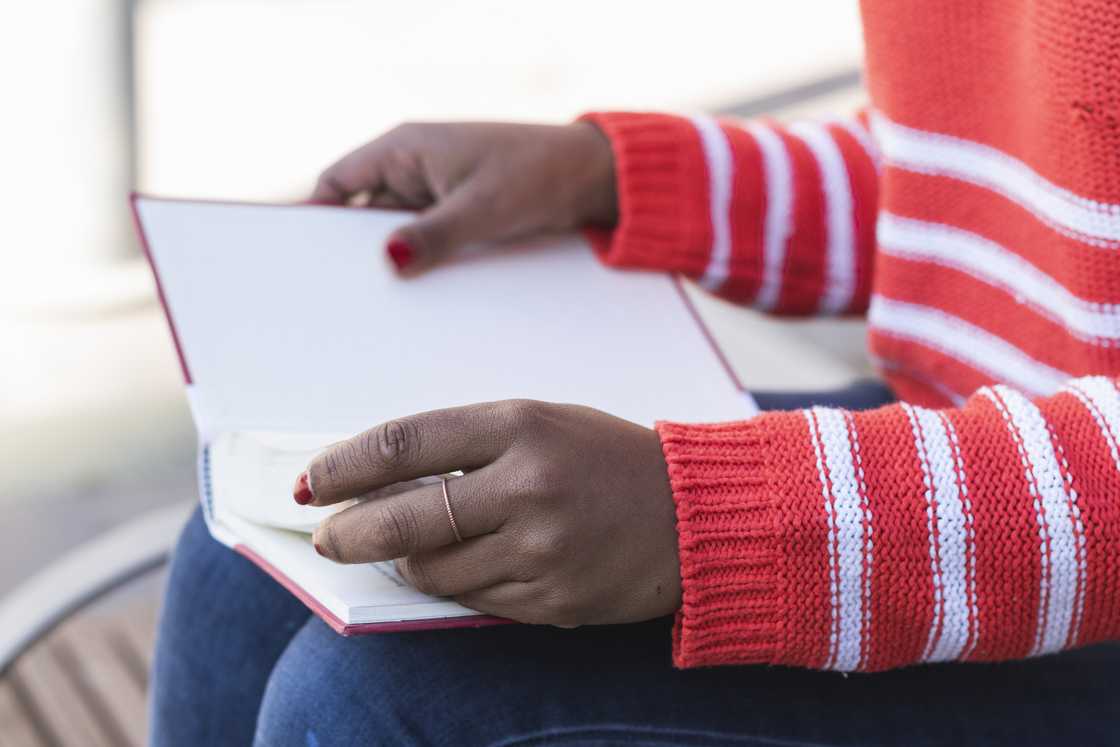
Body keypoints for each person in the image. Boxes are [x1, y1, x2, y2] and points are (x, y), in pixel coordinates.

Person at [151, 2, 1120, 744]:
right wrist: (605, 177)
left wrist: (701, 517)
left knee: (373, 705)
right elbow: (976, 176)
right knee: (247, 547)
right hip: (976, 447)